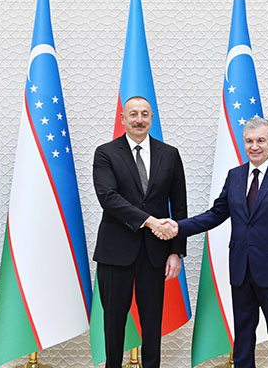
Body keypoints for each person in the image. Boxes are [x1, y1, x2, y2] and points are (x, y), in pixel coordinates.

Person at [156, 117, 268, 368]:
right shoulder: (235, 176)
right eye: (249, 141)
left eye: (261, 140)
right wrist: (179, 227)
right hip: (241, 269)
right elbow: (216, 214)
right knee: (243, 335)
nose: (254, 146)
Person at [92, 96, 186, 368]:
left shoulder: (170, 154)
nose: (139, 119)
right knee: (113, 323)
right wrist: (150, 221)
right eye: (133, 114)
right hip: (115, 251)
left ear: (151, 119)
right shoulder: (106, 153)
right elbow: (108, 198)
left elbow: (179, 205)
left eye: (145, 114)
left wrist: (176, 252)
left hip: (155, 253)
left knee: (153, 323)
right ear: (122, 118)